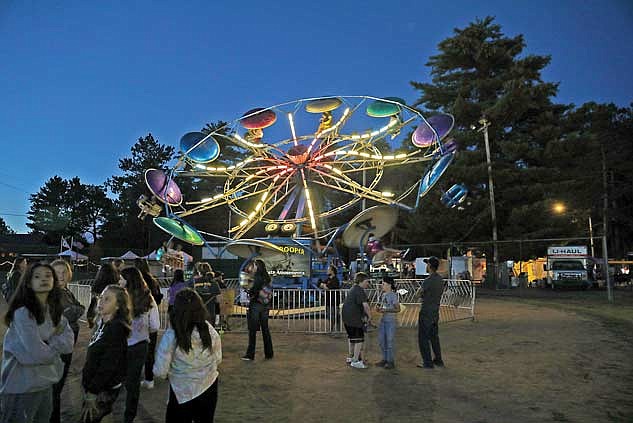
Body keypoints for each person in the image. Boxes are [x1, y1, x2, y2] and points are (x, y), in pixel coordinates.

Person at [0, 262, 74, 423]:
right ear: (28, 282)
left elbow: (68, 344)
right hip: (21, 385)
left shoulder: (53, 311)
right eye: (37, 276)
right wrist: (54, 342)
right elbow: (37, 354)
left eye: (48, 275)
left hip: (45, 384)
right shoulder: (23, 313)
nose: (44, 279)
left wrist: (47, 342)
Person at [153, 289, 222, 422]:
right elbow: (218, 358)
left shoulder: (172, 334)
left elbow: (160, 370)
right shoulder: (209, 330)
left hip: (181, 391)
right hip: (209, 386)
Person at [80, 284, 132, 423]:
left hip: (102, 391)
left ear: (118, 306)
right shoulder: (102, 323)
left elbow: (108, 365)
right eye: (101, 297)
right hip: (95, 387)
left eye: (107, 299)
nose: (101, 302)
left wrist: (93, 392)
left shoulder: (116, 329)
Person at [119, 267, 160, 422]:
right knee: (133, 382)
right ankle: (129, 415)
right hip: (140, 344)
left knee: (118, 378)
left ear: (128, 280)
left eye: (122, 278)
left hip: (121, 344)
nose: (119, 280)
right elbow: (155, 325)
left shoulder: (118, 297)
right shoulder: (148, 298)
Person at [50, 259, 85, 423]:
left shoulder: (67, 291)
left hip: (66, 344)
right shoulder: (56, 293)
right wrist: (77, 310)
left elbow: (79, 308)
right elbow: (73, 312)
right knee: (55, 388)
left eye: (64, 272)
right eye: (57, 273)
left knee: (58, 387)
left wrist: (77, 309)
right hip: (59, 346)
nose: (61, 276)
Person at [134, 258, 163, 390]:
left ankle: (134, 376)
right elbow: (158, 297)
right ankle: (148, 377)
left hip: (138, 319)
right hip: (152, 317)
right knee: (149, 351)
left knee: (135, 348)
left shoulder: (135, 283)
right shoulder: (153, 280)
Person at [414, 256, 445, 369]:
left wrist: (421, 295)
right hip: (435, 311)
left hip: (426, 311)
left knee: (423, 338)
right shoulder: (440, 280)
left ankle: (427, 362)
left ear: (430, 266)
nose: (426, 266)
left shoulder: (428, 280)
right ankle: (438, 359)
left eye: (427, 264)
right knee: (434, 337)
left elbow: (417, 294)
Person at [241, 259, 273, 361]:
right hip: (265, 305)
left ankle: (250, 354)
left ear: (257, 267)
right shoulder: (267, 278)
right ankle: (269, 353)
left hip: (255, 305)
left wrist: (248, 289)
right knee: (265, 329)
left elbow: (250, 290)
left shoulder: (256, 278)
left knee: (252, 330)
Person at [341, 272, 372, 369]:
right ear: (361, 281)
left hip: (347, 318)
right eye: (367, 281)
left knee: (352, 338)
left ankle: (351, 356)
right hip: (354, 318)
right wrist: (370, 317)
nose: (368, 283)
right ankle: (355, 360)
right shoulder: (359, 290)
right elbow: (365, 305)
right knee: (359, 340)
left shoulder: (353, 289)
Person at [375, 276, 400, 369]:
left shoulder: (393, 295)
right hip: (383, 320)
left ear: (389, 285)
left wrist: (386, 310)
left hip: (390, 321)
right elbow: (380, 305)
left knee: (389, 342)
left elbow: (398, 309)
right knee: (382, 341)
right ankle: (385, 359)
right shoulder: (383, 294)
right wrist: (378, 308)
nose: (382, 285)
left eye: (383, 284)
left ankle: (390, 361)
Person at [87, 263, 120, 328]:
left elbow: (93, 305)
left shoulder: (97, 287)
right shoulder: (116, 288)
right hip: (114, 319)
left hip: (99, 319)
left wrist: (90, 318)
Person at [318, 265, 340, 332]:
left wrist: (324, 286)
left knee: (335, 315)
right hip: (328, 301)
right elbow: (320, 285)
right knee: (329, 316)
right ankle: (332, 329)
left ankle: (337, 329)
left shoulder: (335, 279)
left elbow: (328, 288)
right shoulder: (328, 279)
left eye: (328, 270)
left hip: (334, 301)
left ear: (332, 271)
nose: (327, 271)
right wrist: (324, 285)